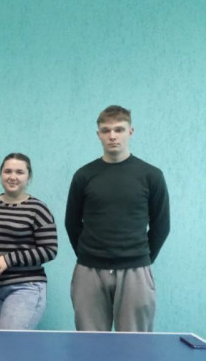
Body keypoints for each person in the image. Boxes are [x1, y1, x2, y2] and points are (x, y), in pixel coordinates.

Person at [65, 105, 170, 332]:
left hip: (135, 270)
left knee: (134, 345)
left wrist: (141, 258)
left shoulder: (152, 176)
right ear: (98, 134)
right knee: (89, 345)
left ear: (130, 131)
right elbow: (71, 223)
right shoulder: (83, 175)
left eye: (119, 129)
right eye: (106, 130)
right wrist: (88, 253)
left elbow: (161, 225)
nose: (112, 136)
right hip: (89, 269)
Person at [0, 153, 58, 330]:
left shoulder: (38, 209)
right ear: (1, 174)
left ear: (28, 177)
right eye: (7, 171)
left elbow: (50, 249)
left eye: (19, 172)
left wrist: (8, 259)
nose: (13, 176)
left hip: (25, 287)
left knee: (10, 341)